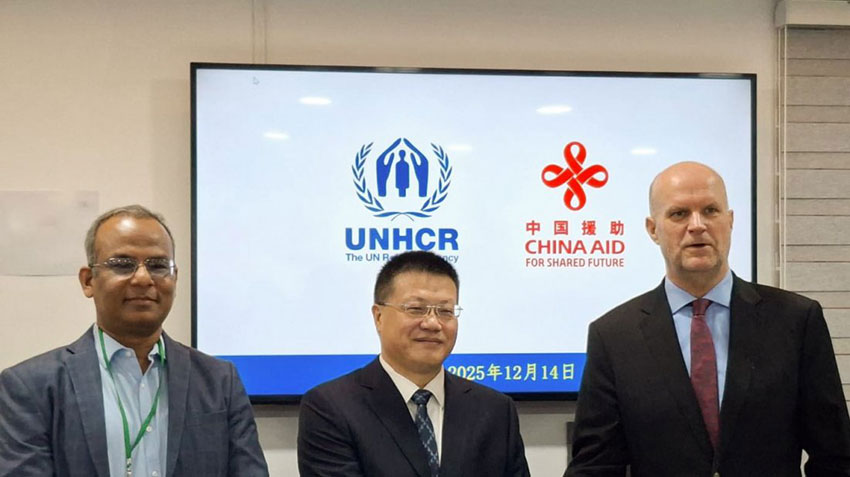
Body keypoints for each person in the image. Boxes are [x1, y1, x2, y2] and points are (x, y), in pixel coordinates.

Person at [565, 162, 850, 476]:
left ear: (730, 221)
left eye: (711, 210)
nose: (697, 225)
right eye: (679, 214)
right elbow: (596, 466)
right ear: (653, 229)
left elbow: (835, 455)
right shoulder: (614, 336)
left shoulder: (796, 320)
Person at [0, 205, 268, 476]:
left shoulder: (220, 381)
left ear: (175, 278)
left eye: (158, 265)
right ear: (88, 281)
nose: (143, 278)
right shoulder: (30, 388)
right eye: (122, 264)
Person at [298, 250, 530, 477]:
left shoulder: (496, 410)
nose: (432, 323)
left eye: (445, 311)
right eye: (416, 309)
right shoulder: (331, 407)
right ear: (378, 317)